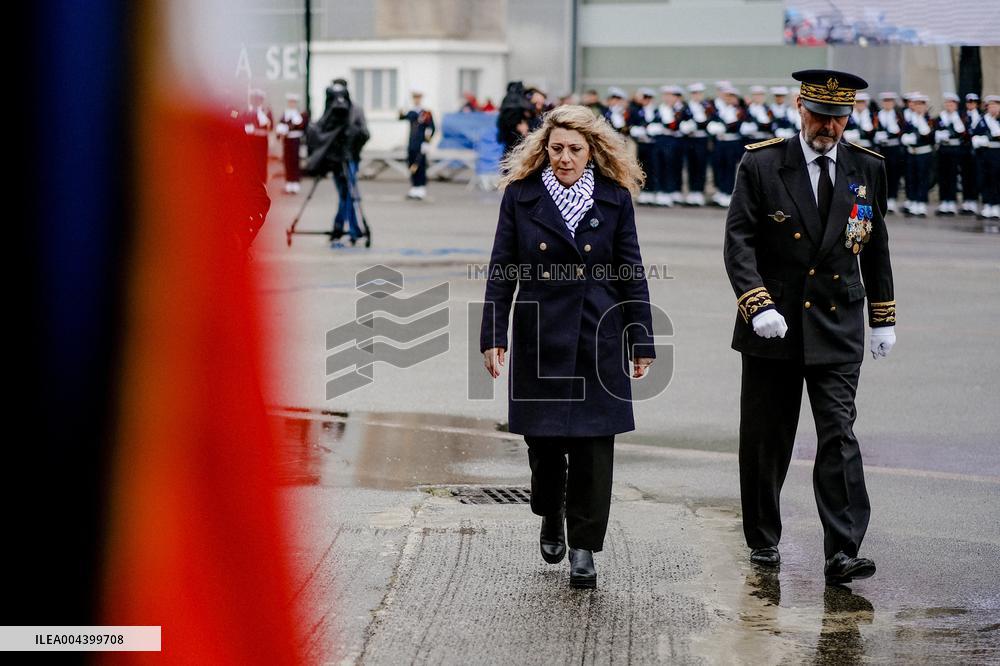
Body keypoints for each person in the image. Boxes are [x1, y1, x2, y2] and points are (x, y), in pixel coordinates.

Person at [723, 69, 896, 585]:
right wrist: (758, 305)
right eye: (820, 115)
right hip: (773, 324)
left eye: (839, 118)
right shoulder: (762, 163)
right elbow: (739, 242)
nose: (829, 127)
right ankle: (763, 538)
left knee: (838, 435)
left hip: (838, 323)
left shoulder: (867, 167)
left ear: (850, 118)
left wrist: (883, 316)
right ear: (800, 107)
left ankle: (842, 550)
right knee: (765, 440)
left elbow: (877, 244)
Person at [480, 105, 655, 590]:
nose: (564, 157)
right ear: (544, 149)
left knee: (595, 447)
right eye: (556, 148)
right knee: (546, 445)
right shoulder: (521, 197)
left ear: (592, 151)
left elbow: (631, 271)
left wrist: (642, 338)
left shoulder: (615, 199)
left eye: (574, 149)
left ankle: (584, 548)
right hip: (541, 335)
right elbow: (502, 271)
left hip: (599, 333)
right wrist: (493, 335)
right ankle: (550, 512)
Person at [306, 78, 370, 246]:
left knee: (347, 194)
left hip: (350, 159)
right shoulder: (331, 109)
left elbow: (365, 133)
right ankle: (343, 229)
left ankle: (343, 229)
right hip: (335, 159)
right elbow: (322, 130)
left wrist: (351, 138)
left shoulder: (356, 110)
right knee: (345, 195)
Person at [901, 93, 934, 217]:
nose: (918, 107)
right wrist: (906, 137)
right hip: (911, 152)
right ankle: (913, 200)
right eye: (916, 104)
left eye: (921, 104)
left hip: (923, 153)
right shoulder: (910, 120)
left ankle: (922, 203)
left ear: (925, 106)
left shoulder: (928, 120)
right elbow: (903, 131)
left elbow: (931, 137)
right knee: (911, 178)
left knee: (922, 178)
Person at [680, 82, 713, 206]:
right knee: (691, 165)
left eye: (698, 93)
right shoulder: (687, 107)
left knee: (701, 165)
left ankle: (699, 191)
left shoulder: (707, 107)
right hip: (690, 139)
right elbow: (681, 119)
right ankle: (692, 191)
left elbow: (712, 119)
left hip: (702, 139)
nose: (696, 96)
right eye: (694, 93)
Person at [399, 91, 436, 200]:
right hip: (412, 143)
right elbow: (401, 117)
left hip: (421, 144)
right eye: (414, 98)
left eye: (418, 98)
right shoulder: (411, 112)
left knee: (420, 165)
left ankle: (421, 188)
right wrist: (402, 107)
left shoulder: (426, 113)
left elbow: (432, 128)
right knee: (411, 164)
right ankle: (414, 187)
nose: (416, 100)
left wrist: (427, 142)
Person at [934, 93, 966, 216]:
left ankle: (951, 202)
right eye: (947, 103)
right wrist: (939, 135)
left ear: (956, 105)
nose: (949, 106)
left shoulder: (959, 117)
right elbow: (935, 130)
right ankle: (944, 201)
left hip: (954, 149)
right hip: (943, 149)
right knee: (943, 175)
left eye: (951, 104)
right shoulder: (941, 117)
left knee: (952, 175)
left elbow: (963, 133)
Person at [873, 92, 906, 214]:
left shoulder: (898, 115)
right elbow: (872, 129)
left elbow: (904, 129)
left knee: (894, 173)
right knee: (882, 173)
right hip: (881, 148)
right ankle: (882, 198)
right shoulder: (877, 115)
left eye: (890, 101)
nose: (887, 104)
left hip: (894, 148)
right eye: (885, 101)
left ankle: (892, 198)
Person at [970, 95, 1000, 221]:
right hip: (984, 153)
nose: (992, 108)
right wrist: (978, 140)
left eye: (995, 105)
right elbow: (974, 133)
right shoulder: (982, 120)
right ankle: (987, 204)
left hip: (997, 152)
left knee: (997, 179)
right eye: (990, 106)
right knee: (984, 178)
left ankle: (997, 205)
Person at [276, 93, 308, 194]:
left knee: (295, 161)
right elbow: (280, 124)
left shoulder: (300, 113)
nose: (291, 104)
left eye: (293, 102)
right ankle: (289, 182)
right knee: (287, 160)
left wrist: (291, 126)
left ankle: (295, 182)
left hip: (295, 139)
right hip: (287, 139)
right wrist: (281, 130)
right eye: (290, 102)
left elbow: (302, 125)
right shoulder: (285, 113)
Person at [242, 88, 272, 185]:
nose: (256, 101)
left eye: (258, 99)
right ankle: (251, 182)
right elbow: (239, 118)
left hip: (262, 140)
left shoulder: (266, 111)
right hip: (250, 139)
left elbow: (270, 126)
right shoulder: (247, 110)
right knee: (251, 161)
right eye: (254, 99)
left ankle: (262, 182)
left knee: (261, 161)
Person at [960, 93, 982, 216]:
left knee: (975, 176)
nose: (970, 104)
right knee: (965, 175)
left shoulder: (981, 116)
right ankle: (966, 200)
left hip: (978, 151)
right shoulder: (962, 116)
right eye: (969, 102)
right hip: (965, 149)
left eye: (973, 102)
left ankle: (973, 200)